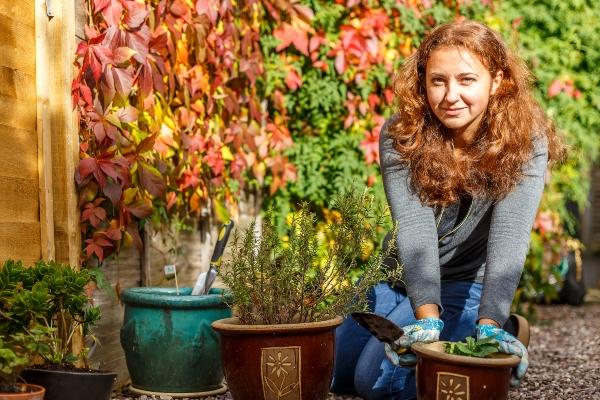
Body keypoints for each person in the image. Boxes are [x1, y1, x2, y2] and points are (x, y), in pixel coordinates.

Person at [330, 20, 564, 400]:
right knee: (335, 374)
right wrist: (426, 320)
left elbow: (509, 236)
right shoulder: (401, 135)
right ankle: (440, 327)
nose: (450, 95)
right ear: (423, 82)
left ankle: (491, 329)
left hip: (465, 282)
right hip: (398, 279)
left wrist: (488, 325)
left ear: (498, 80)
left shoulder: (525, 141)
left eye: (467, 80)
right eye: (438, 80)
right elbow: (414, 228)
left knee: (378, 385)